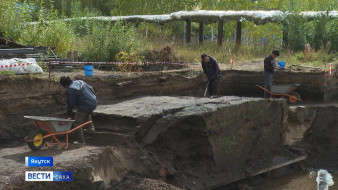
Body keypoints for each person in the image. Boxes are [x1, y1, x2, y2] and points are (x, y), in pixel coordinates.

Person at [60, 76, 97, 144]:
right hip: (93, 102)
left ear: (65, 85)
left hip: (85, 105)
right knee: (86, 113)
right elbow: (91, 89)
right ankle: (90, 128)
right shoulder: (80, 82)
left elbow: (71, 102)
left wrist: (69, 111)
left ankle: (81, 141)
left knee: (76, 123)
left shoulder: (70, 90)